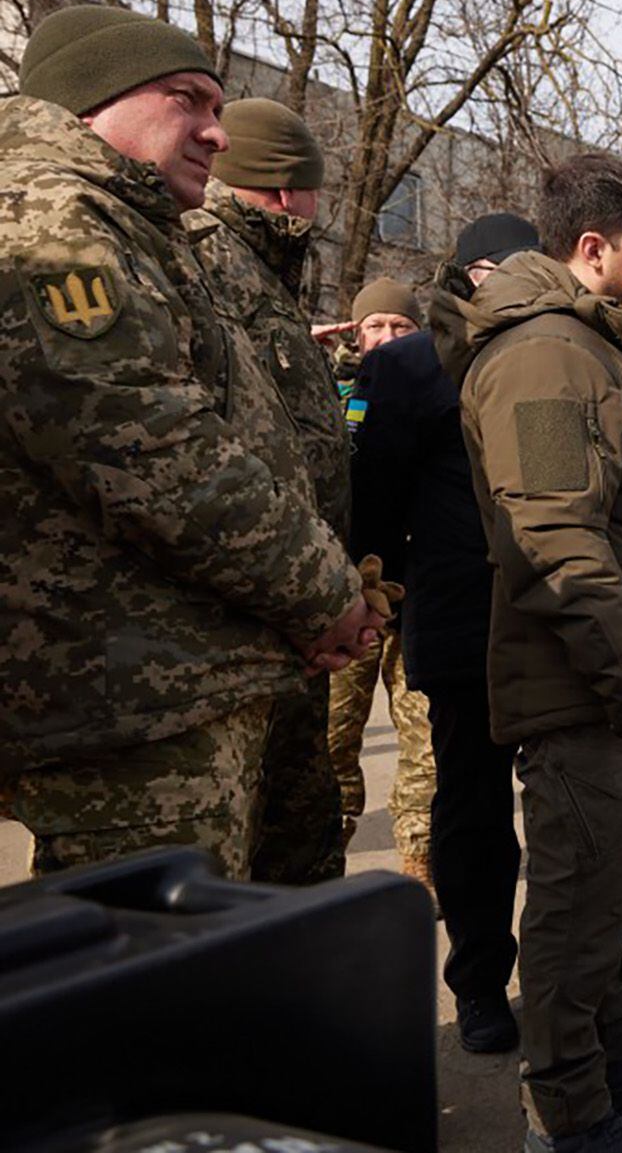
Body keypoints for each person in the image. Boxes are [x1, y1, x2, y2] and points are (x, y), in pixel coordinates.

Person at [0, 4, 380, 877]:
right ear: (94, 101)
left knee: (221, 971)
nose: (216, 132)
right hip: (132, 695)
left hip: (185, 675)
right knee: (156, 986)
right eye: (188, 101)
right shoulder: (52, 221)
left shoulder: (132, 227)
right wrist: (325, 593)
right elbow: (155, 452)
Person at [435, 154, 622, 1153]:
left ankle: (620, 1053)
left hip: (619, 677)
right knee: (573, 903)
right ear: (592, 250)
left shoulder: (600, 344)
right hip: (584, 682)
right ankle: (568, 1109)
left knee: (615, 892)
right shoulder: (548, 354)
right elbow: (552, 534)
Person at [351, 211, 540, 1055]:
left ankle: (582, 966)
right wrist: (378, 593)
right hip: (464, 618)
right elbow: (377, 502)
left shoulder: (551, 349)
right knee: (472, 811)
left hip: (554, 612)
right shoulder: (408, 365)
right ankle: (478, 983)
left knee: (577, 804)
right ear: (476, 272)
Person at [186, 97, 351, 885]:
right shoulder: (208, 259)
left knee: (295, 839)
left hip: (286, 617)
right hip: (247, 625)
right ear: (288, 191)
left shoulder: (261, 271)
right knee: (258, 860)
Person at [327, 276, 437, 894]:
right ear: (357, 332)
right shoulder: (326, 392)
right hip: (342, 598)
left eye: (401, 327)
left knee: (423, 737)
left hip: (417, 594)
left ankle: (420, 861)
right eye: (377, 327)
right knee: (332, 738)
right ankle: (325, 861)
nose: (389, 338)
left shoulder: (439, 391)